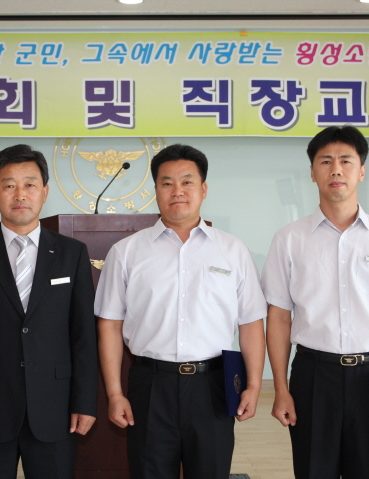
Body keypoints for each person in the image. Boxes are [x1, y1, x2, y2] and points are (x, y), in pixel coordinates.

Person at [262, 126, 369, 479]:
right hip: (312, 376)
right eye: (325, 161)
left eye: (346, 161)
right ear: (312, 172)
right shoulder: (289, 239)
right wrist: (281, 389)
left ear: (361, 171)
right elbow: (278, 318)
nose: (336, 169)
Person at [95, 144, 267, 479]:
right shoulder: (126, 252)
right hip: (150, 385)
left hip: (212, 386)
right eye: (167, 183)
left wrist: (254, 384)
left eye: (187, 182)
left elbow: (250, 323)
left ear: (203, 189)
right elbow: (109, 326)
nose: (178, 191)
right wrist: (115, 393)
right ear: (155, 190)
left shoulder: (233, 250)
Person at [0, 144, 98, 479]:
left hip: (55, 407)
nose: (20, 194)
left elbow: (84, 334)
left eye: (30, 184)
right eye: (9, 185)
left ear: (45, 192)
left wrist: (84, 402)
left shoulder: (72, 253)